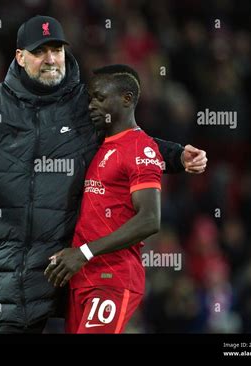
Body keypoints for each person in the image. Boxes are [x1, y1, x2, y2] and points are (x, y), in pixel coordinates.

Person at [0, 15, 207, 334]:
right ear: (20, 57)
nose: (51, 59)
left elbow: (131, 142)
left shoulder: (88, 105)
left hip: (70, 268)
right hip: (10, 273)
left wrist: (177, 155)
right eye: (40, 52)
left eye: (57, 50)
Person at [45, 64, 163, 333]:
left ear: (126, 99)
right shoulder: (102, 146)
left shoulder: (140, 147)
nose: (91, 106)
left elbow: (150, 219)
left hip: (112, 277)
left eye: (99, 98)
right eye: (90, 99)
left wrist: (84, 252)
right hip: (82, 277)